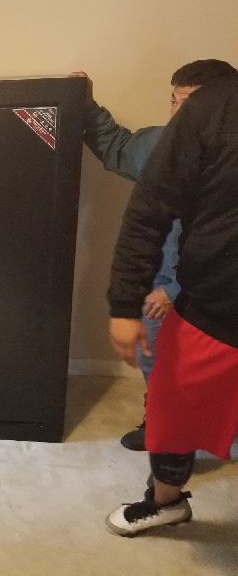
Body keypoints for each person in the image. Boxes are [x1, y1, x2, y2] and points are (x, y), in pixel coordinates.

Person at [103, 59, 238, 536]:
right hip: (212, 307)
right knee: (172, 411)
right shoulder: (212, 110)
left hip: (195, 293)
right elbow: (148, 207)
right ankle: (167, 501)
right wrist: (125, 304)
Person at [76, 62, 217, 451]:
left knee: (206, 370)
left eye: (189, 105)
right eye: (173, 102)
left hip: (209, 291)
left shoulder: (228, 161)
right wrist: (85, 104)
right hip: (159, 283)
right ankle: (163, 424)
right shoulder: (160, 145)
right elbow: (117, 147)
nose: (177, 114)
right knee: (155, 361)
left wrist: (174, 290)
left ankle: (193, 434)